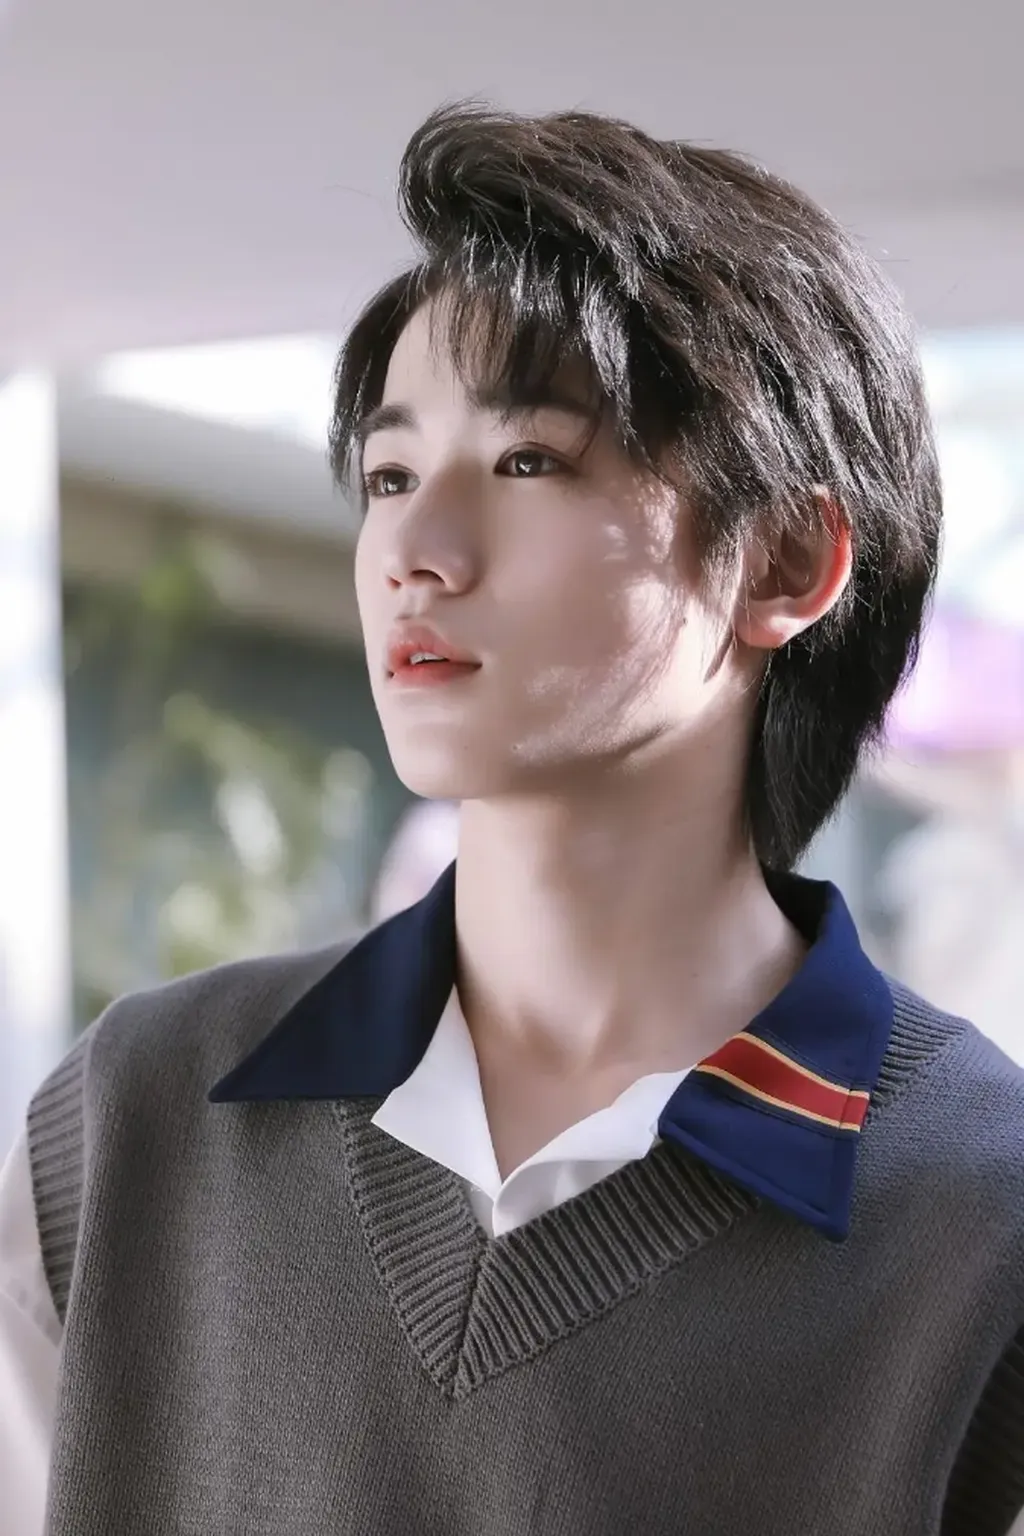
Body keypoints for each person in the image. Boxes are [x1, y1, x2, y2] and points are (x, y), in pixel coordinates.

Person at [2, 102, 1023, 1536]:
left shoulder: (980, 1217)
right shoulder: (133, 1123)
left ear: (786, 560)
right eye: (389, 477)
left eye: (529, 460)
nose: (414, 554)